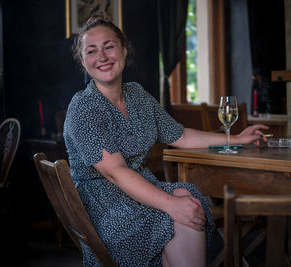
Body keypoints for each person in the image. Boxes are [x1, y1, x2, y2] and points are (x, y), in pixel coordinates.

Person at [63, 14, 269, 267]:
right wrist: (171, 205)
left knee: (188, 197)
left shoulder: (137, 94)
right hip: (106, 208)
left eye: (109, 46)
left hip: (137, 192)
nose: (102, 57)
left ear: (124, 50)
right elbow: (116, 173)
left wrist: (236, 139)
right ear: (83, 61)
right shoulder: (84, 107)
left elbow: (180, 135)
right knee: (176, 214)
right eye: (92, 51)